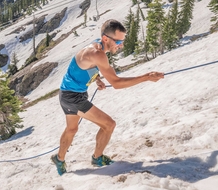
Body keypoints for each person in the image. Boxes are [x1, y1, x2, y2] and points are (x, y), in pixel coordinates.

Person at [51, 19, 164, 175]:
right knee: (109, 124)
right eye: (118, 41)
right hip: (73, 97)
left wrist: (96, 78)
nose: (121, 45)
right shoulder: (98, 53)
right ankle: (97, 158)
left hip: (68, 93)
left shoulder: (97, 47)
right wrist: (146, 77)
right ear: (106, 39)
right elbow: (116, 83)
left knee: (72, 129)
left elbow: (85, 66)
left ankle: (59, 159)